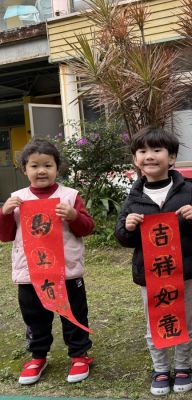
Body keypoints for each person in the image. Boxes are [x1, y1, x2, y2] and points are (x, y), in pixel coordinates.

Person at [115, 126, 192, 396]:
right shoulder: (134, 197)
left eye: (157, 150)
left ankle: (183, 367)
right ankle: (160, 369)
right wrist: (128, 226)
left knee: (184, 320)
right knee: (154, 322)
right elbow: (122, 237)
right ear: (135, 159)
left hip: (183, 271)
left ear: (171, 158)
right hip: (150, 275)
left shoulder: (188, 189)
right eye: (142, 151)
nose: (149, 155)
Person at [0, 138, 94, 385]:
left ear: (57, 168)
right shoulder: (17, 199)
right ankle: (38, 356)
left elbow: (87, 228)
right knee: (35, 317)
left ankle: (79, 355)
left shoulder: (69, 196)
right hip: (31, 274)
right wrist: (5, 213)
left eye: (47, 165)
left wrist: (73, 215)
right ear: (24, 169)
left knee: (73, 314)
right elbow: (6, 235)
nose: (41, 171)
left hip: (66, 272)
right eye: (34, 166)